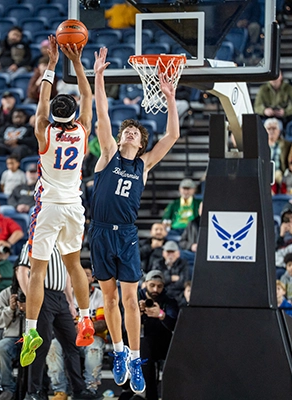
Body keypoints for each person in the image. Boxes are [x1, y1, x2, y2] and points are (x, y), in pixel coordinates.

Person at [90, 46, 180, 395]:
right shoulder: (108, 154)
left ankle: (135, 358)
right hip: (100, 233)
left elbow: (171, 136)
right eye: (125, 130)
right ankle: (118, 352)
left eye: (134, 132)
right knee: (109, 299)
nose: (128, 132)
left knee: (130, 300)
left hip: (126, 235)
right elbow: (101, 114)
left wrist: (169, 97)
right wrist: (98, 77)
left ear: (141, 143)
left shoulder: (143, 165)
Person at [20, 36, 95, 369]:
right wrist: (76, 61)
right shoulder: (83, 130)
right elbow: (87, 95)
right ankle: (85, 317)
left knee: (37, 271)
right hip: (74, 206)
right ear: (75, 115)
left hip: (48, 205)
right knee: (74, 265)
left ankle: (30, 331)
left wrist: (51, 64)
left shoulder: (44, 131)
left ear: (53, 115)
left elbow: (41, 101)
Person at [17, 244, 102, 400]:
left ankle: (79, 390)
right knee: (40, 345)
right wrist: (31, 297)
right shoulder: (35, 240)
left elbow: (67, 274)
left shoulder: (62, 243)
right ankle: (33, 391)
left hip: (60, 297)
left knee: (72, 343)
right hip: (42, 295)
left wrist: (70, 301)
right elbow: (22, 270)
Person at [46, 262, 107, 397]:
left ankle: (90, 389)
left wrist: (80, 328)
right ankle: (60, 390)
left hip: (92, 337)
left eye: (86, 275)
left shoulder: (100, 295)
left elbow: (103, 324)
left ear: (93, 278)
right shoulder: (66, 296)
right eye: (78, 275)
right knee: (53, 346)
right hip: (68, 337)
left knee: (94, 347)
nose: (82, 278)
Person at [138, 270, 179, 400]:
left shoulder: (169, 301)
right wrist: (136, 314)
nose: (155, 289)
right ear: (145, 284)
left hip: (162, 342)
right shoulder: (135, 298)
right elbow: (123, 324)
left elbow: (175, 325)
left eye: (159, 286)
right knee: (145, 347)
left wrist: (161, 315)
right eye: (152, 285)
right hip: (141, 343)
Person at [0, 272, 26, 400]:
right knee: (1, 349)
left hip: (34, 336)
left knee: (42, 349)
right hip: (12, 337)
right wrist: (10, 309)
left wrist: (30, 308)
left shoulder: (40, 290)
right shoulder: (6, 293)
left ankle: (37, 388)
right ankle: (8, 389)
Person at [265, 118, 291, 188]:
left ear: (279, 130)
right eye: (269, 129)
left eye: (274, 128)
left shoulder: (286, 144)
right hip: (263, 170)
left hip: (278, 171)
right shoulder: (260, 144)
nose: (271, 131)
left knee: (278, 176)